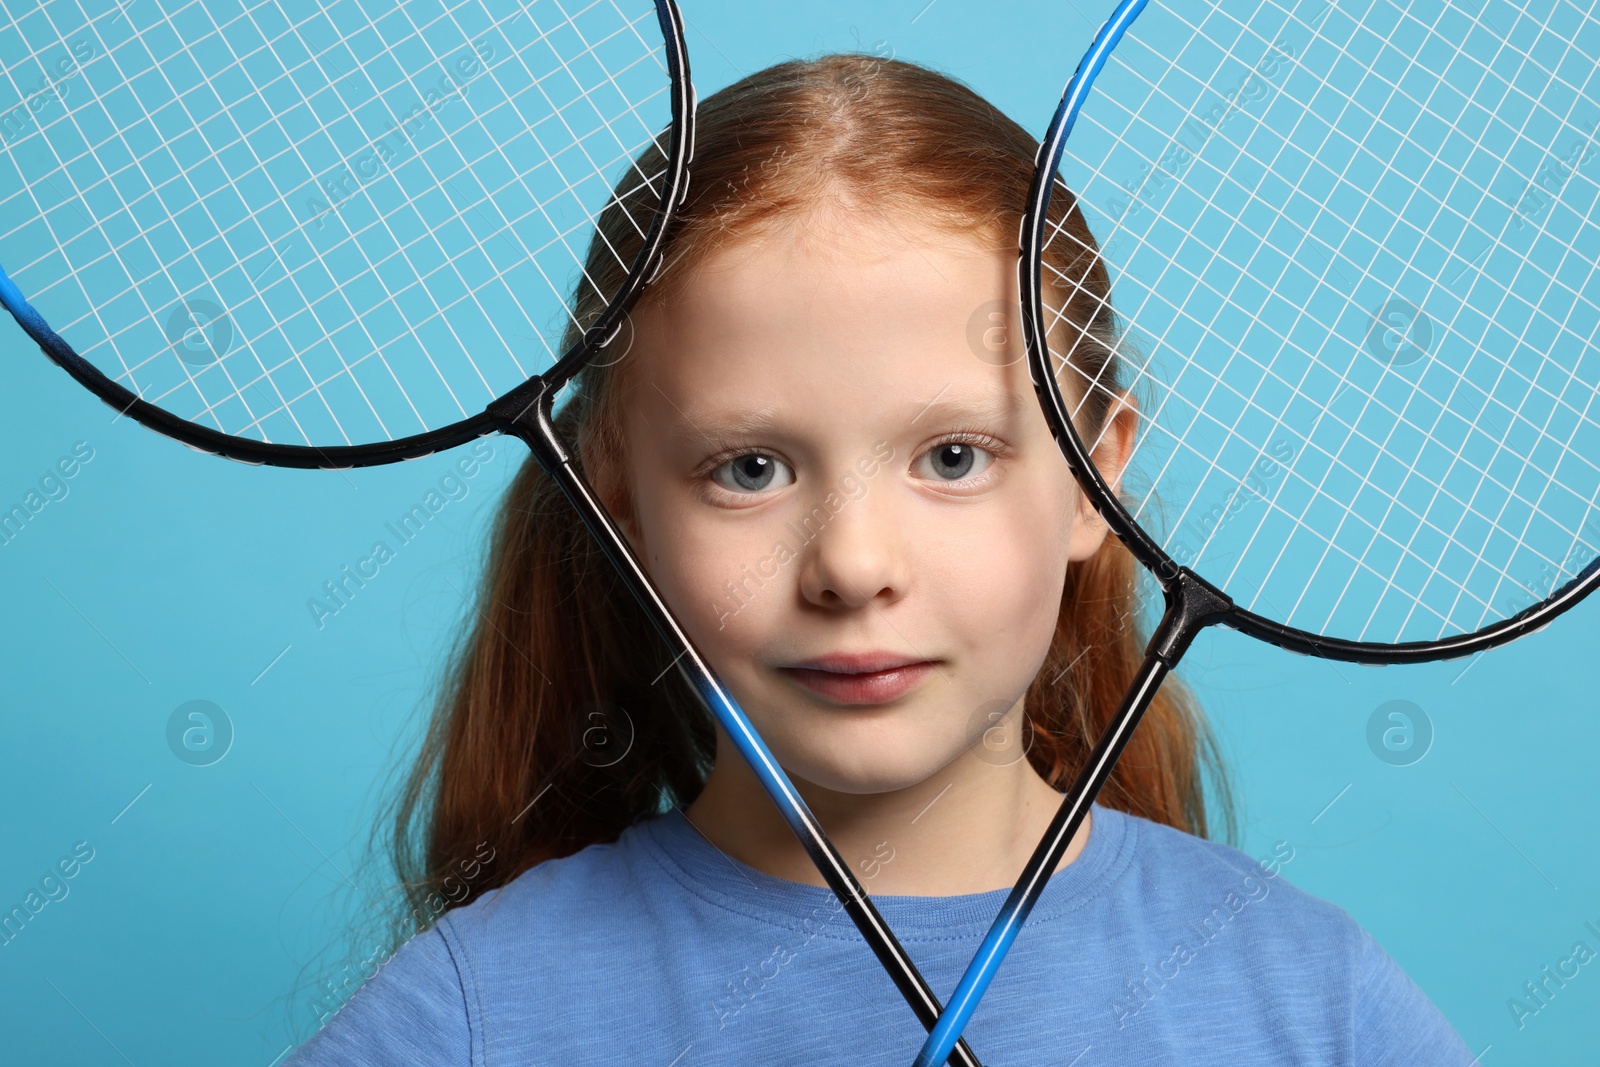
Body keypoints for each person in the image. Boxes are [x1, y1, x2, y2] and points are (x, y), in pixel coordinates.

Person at [284, 53, 1474, 1066]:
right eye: (748, 468)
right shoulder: (467, 1023)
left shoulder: (1316, 1006)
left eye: (953, 456)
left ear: (1093, 482)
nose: (852, 566)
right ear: (620, 506)